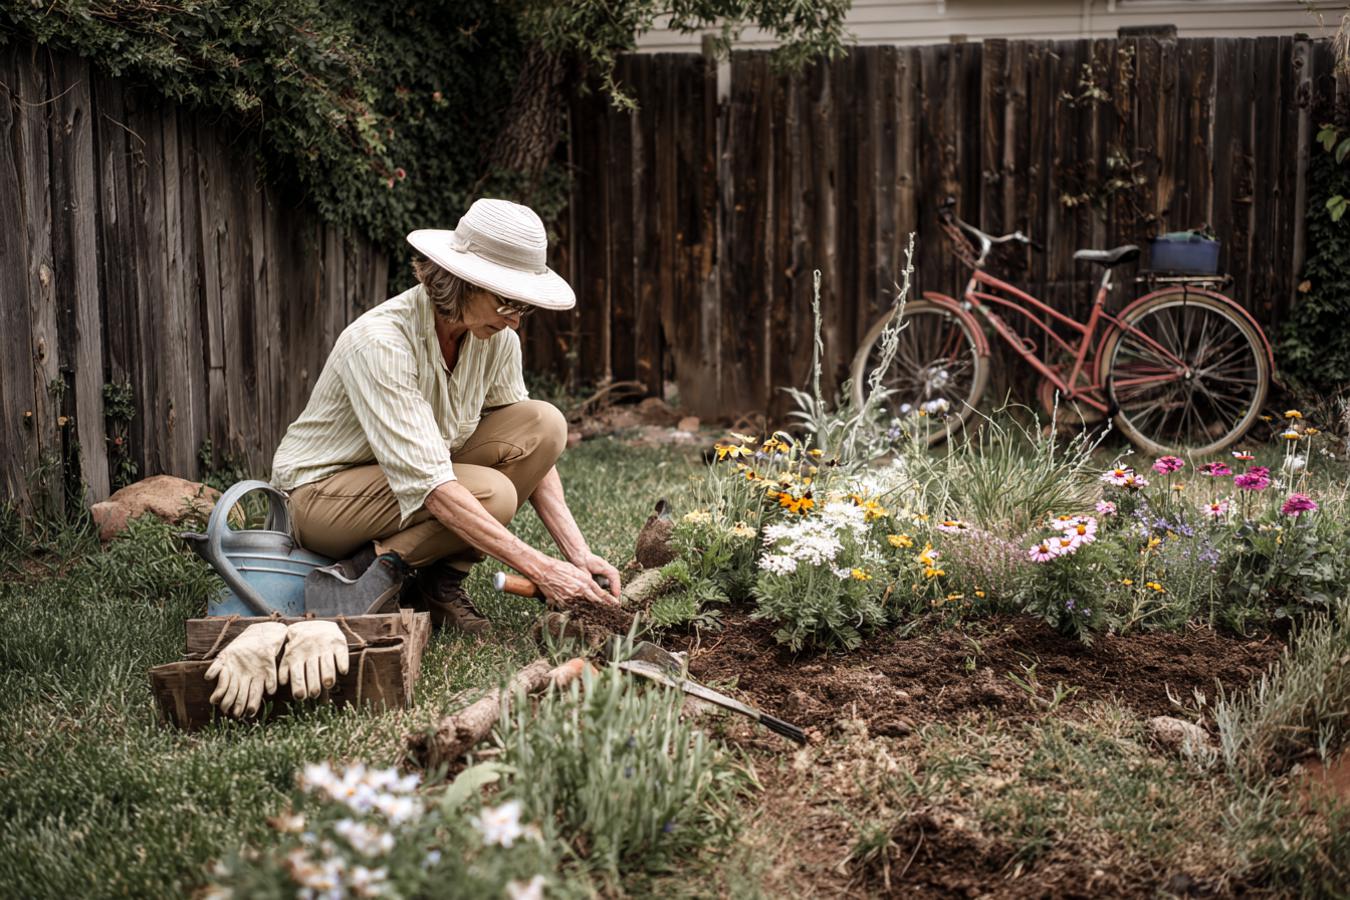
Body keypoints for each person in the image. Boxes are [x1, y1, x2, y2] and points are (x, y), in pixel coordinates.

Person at [269, 198, 621, 632]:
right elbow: (432, 487)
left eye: (523, 307)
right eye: (507, 302)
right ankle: (365, 568)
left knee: (545, 424)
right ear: (464, 282)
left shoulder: (496, 339)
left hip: (407, 480)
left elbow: (532, 448)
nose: (514, 322)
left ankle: (437, 586)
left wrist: (576, 553)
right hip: (321, 497)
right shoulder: (381, 343)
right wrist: (542, 569)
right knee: (492, 494)